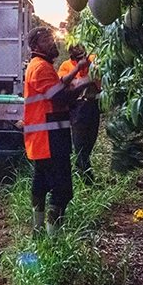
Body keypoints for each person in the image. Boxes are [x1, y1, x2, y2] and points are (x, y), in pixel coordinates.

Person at [24, 27, 89, 236]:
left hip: (44, 138)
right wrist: (85, 85)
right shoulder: (40, 67)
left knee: (41, 183)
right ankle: (54, 241)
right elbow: (59, 97)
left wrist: (77, 69)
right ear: (35, 46)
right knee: (61, 190)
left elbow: (57, 85)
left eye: (51, 38)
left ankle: (38, 230)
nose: (52, 43)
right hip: (50, 138)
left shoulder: (40, 66)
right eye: (46, 40)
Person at [58, 43, 101, 180]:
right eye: (78, 58)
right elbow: (64, 84)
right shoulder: (66, 66)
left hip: (93, 105)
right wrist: (78, 70)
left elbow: (102, 80)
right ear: (72, 57)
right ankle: (85, 175)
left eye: (83, 56)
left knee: (90, 140)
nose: (83, 59)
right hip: (77, 107)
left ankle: (83, 170)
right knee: (80, 143)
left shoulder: (94, 61)